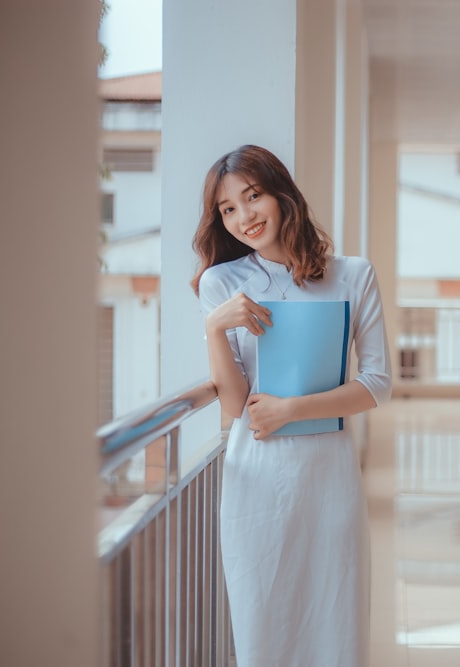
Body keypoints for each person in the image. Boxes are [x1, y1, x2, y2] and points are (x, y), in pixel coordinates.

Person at [190, 144, 392, 667]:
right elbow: (235, 404)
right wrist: (215, 327)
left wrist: (291, 410)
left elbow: (377, 383)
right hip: (256, 474)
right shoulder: (222, 283)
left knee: (334, 617)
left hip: (330, 474)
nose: (243, 217)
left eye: (252, 197)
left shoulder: (353, 275)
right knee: (262, 620)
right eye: (227, 209)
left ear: (281, 194)